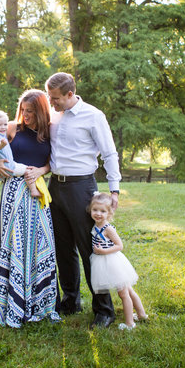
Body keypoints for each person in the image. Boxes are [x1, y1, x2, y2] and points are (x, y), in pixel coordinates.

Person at [45, 71, 121, 329]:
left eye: (55, 98)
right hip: (55, 187)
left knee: (90, 249)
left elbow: (110, 153)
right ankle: (70, 300)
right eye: (49, 97)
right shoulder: (53, 113)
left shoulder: (93, 116)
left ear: (69, 94)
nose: (51, 102)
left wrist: (114, 190)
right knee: (63, 248)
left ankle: (104, 310)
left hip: (81, 188)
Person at [0, 90, 60, 327]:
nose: (25, 115)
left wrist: (42, 170)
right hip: (14, 194)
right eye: (23, 110)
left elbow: (53, 161)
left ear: (40, 110)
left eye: (31, 111)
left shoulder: (50, 131)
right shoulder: (12, 128)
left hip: (38, 193)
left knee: (40, 243)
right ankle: (13, 305)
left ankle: (41, 304)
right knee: (15, 243)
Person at [88, 192, 147, 330]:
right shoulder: (96, 224)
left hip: (113, 262)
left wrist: (103, 251)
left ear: (109, 213)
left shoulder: (107, 228)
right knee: (129, 290)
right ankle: (142, 314)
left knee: (124, 293)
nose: (98, 213)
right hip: (104, 262)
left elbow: (120, 246)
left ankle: (129, 323)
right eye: (95, 210)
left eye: (103, 211)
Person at [0, 109, 40, 197]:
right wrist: (2, 144)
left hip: (1, 170)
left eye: (5, 124)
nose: (3, 127)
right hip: (10, 167)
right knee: (28, 171)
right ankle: (33, 190)